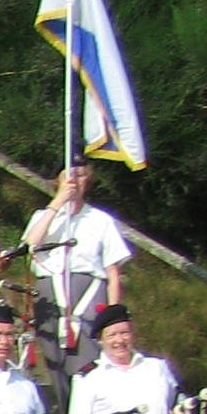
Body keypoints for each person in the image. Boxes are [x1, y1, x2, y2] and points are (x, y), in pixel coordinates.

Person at [23, 161, 131, 378]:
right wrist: (58, 203)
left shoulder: (101, 220)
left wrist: (114, 314)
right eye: (68, 176)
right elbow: (30, 246)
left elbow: (113, 272)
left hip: (88, 294)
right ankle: (63, 411)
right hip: (50, 292)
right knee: (55, 360)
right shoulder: (42, 217)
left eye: (80, 175)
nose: (74, 181)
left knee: (87, 361)